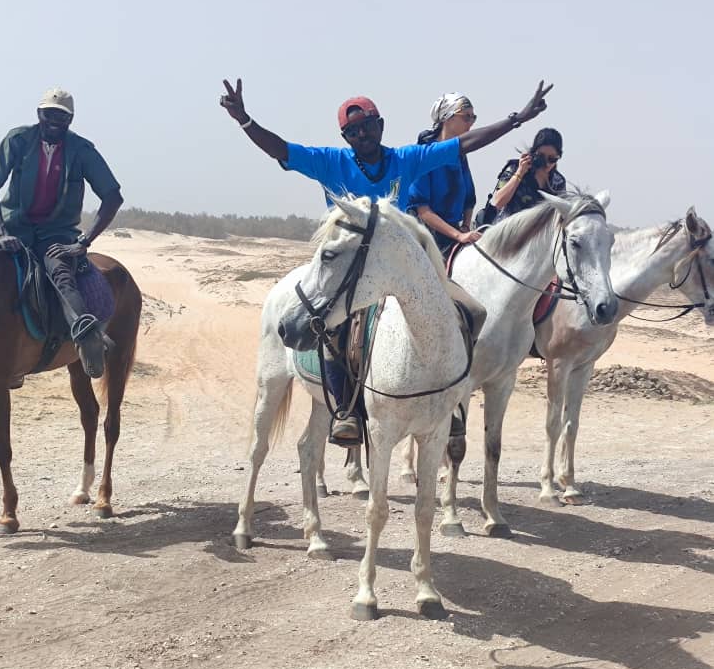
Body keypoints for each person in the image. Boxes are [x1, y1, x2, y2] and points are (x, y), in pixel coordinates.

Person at [220, 78, 552, 444]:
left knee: (471, 311)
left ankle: (452, 400)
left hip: (401, 266)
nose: (362, 134)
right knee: (335, 327)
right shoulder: (330, 162)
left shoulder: (405, 160)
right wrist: (245, 121)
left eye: (368, 126)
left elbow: (463, 145)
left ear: (380, 126)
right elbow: (281, 149)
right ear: (346, 137)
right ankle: (345, 410)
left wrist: (517, 118)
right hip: (348, 268)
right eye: (353, 130)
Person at [0, 88, 124, 381]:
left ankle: (86, 334)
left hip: (56, 234)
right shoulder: (18, 140)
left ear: (70, 119)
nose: (55, 121)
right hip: (14, 229)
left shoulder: (83, 151)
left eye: (62, 116)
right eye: (49, 114)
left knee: (59, 272)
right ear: (39, 115)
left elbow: (112, 196)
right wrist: (0, 231)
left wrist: (83, 242)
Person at [408, 93, 482, 257]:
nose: (470, 123)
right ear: (447, 118)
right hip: (425, 238)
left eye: (473, 117)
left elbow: (469, 199)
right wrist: (458, 235)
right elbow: (423, 210)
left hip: (453, 234)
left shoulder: (460, 155)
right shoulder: (424, 156)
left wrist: (465, 227)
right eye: (466, 117)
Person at [477, 127, 567, 226]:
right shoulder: (514, 168)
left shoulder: (558, 181)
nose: (546, 163)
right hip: (508, 230)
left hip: (539, 235)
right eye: (541, 156)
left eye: (552, 159)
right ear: (533, 153)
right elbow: (497, 202)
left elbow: (562, 214)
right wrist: (519, 174)